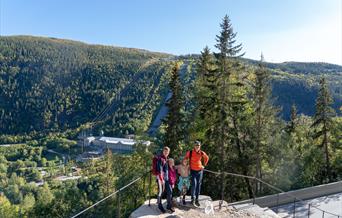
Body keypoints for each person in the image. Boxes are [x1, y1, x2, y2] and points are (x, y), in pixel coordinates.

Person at [184, 140, 209, 207]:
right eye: (196, 145)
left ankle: (197, 199)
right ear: (194, 146)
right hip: (193, 171)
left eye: (198, 145)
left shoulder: (201, 153)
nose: (197, 146)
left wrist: (204, 165)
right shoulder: (190, 152)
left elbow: (207, 158)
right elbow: (185, 158)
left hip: (200, 171)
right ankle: (193, 199)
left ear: (200, 146)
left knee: (198, 185)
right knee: (194, 184)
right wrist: (186, 165)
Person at [155, 146, 172, 213]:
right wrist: (162, 180)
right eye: (165, 151)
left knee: (170, 191)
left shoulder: (166, 159)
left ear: (168, 152)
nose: (166, 153)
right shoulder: (161, 159)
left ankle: (169, 206)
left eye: (167, 152)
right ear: (163, 151)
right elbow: (160, 170)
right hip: (161, 179)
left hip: (166, 179)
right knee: (160, 192)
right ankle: (160, 206)